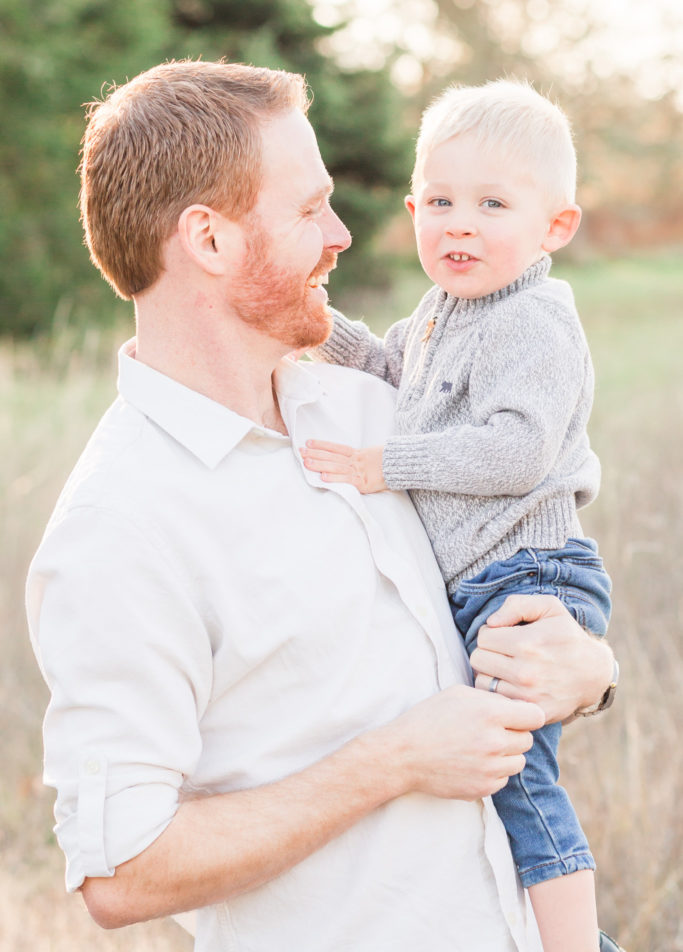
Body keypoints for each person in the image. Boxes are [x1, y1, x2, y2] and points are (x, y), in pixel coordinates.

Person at [26, 61, 618, 952]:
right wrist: (394, 763)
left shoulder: (367, 410)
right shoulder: (122, 528)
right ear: (210, 241)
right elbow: (120, 871)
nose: (343, 233)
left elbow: (523, 556)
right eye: (308, 209)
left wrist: (587, 672)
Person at [301, 80, 615, 952]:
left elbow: (516, 449)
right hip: (478, 581)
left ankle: (574, 945)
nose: (459, 224)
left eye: (491, 204)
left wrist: (383, 466)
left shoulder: (535, 320)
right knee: (477, 773)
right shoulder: (439, 313)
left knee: (513, 776)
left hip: (531, 579)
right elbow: (380, 367)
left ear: (553, 227)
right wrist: (310, 324)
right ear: (411, 209)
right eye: (438, 201)